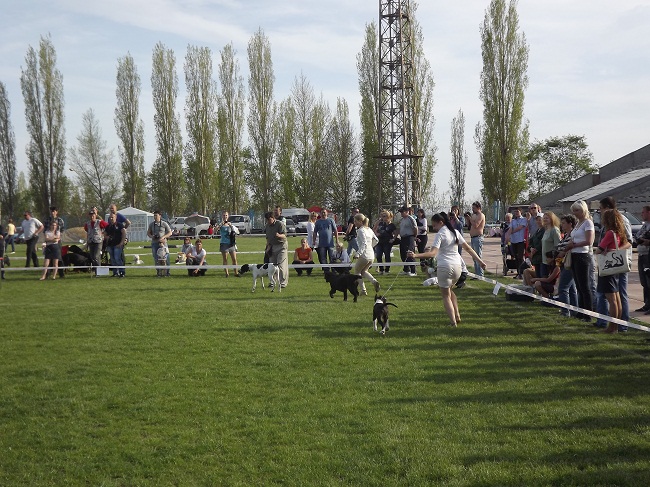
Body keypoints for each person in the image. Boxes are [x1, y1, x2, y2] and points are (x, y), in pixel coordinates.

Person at [409, 213, 486, 327]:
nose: (434, 228)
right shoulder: (455, 232)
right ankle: (457, 315)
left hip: (445, 267)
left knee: (445, 296)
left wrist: (415, 255)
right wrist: (480, 262)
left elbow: (432, 253)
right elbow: (468, 249)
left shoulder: (440, 234)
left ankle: (453, 322)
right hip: (457, 267)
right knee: (449, 291)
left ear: (441, 222)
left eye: (434, 225)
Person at [595, 197, 631, 330]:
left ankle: (616, 325)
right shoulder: (615, 230)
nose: (600, 212)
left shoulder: (612, 230)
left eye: (601, 209)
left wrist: (612, 251)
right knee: (614, 296)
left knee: (614, 297)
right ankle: (610, 323)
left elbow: (600, 249)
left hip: (611, 265)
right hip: (613, 264)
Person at [563, 200, 595, 322]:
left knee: (585, 286)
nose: (575, 213)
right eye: (574, 211)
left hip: (583, 255)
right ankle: (581, 311)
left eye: (577, 210)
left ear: (583, 210)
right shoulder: (578, 224)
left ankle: (588, 313)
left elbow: (589, 241)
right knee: (579, 285)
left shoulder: (588, 223)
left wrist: (574, 245)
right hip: (574, 255)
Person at [352, 212, 381, 296]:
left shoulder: (360, 230)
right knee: (364, 271)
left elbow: (364, 243)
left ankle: (363, 290)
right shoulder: (369, 229)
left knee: (357, 272)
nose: (354, 223)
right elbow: (376, 240)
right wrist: (370, 247)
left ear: (360, 221)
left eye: (355, 221)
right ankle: (374, 281)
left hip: (364, 255)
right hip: (371, 255)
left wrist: (358, 253)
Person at [556, 214, 578, 317]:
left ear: (570, 224)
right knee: (572, 289)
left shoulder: (573, 235)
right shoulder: (565, 235)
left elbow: (569, 247)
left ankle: (565, 311)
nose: (562, 225)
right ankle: (574, 310)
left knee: (563, 288)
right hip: (563, 263)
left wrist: (562, 251)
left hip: (569, 263)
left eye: (564, 223)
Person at [265, 211, 288, 287]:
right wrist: (267, 247)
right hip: (272, 246)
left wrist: (279, 235)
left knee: (281, 265)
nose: (268, 221)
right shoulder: (267, 226)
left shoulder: (280, 224)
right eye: (267, 220)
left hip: (281, 246)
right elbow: (268, 238)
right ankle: (273, 282)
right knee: (272, 266)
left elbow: (285, 235)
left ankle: (283, 283)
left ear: (273, 218)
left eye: (269, 219)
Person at [313, 208, 339, 273]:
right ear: (320, 214)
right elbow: (315, 232)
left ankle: (333, 270)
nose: (323, 214)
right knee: (323, 258)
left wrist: (337, 240)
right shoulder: (318, 222)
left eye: (324, 212)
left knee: (332, 257)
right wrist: (314, 241)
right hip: (321, 243)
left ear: (327, 213)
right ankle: (326, 270)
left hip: (330, 243)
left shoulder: (331, 220)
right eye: (322, 212)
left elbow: (335, 230)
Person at [148, 210, 172, 277]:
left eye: (156, 215)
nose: (155, 217)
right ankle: (159, 272)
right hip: (154, 243)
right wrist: (152, 236)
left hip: (163, 244)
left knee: (166, 258)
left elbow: (170, 233)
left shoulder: (164, 223)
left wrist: (163, 237)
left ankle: (167, 272)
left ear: (160, 216)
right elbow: (148, 233)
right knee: (156, 258)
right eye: (154, 215)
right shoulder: (151, 224)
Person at [635, 206, 650, 314]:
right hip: (641, 255)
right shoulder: (645, 225)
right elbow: (637, 236)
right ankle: (647, 304)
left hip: (648, 256)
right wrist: (640, 239)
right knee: (644, 282)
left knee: (649, 282)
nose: (641, 214)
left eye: (643, 212)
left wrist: (646, 241)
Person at [108, 204, 131, 276]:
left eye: (113, 208)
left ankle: (121, 272)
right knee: (113, 258)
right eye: (110, 208)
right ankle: (115, 272)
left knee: (118, 257)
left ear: (116, 208)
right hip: (112, 241)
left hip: (119, 240)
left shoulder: (120, 216)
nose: (111, 209)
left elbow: (128, 222)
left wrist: (123, 229)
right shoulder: (109, 218)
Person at [84, 208, 108, 274]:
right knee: (92, 257)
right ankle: (97, 271)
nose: (92, 217)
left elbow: (108, 227)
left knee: (95, 256)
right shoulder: (87, 224)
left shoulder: (100, 222)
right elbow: (87, 231)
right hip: (91, 241)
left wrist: (105, 234)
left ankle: (100, 271)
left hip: (98, 242)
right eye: (90, 215)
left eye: (93, 215)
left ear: (95, 215)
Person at [44, 206, 66, 278]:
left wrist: (57, 238)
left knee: (58, 258)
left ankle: (61, 273)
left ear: (56, 212)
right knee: (48, 258)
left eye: (53, 211)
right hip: (49, 241)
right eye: (51, 211)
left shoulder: (60, 220)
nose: (52, 213)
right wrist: (48, 239)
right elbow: (45, 231)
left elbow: (62, 231)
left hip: (57, 241)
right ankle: (47, 274)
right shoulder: (47, 220)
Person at [373, 209, 396, 275]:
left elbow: (396, 233)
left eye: (384, 216)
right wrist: (376, 233)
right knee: (378, 255)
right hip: (379, 242)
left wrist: (393, 239)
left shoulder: (391, 225)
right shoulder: (380, 223)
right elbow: (374, 229)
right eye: (382, 216)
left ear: (388, 217)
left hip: (387, 242)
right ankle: (381, 269)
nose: (383, 218)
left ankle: (387, 270)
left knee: (387, 255)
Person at [396, 205, 417, 276]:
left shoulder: (411, 219)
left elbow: (415, 228)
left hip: (409, 237)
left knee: (410, 253)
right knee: (403, 254)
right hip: (403, 238)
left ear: (407, 212)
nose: (401, 213)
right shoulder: (401, 220)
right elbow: (399, 229)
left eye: (402, 212)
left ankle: (413, 271)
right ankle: (406, 270)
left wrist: (414, 236)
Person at [217, 211, 239, 277]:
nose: (225, 217)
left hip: (231, 244)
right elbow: (214, 231)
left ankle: (236, 273)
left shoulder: (230, 224)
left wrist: (231, 226)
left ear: (228, 216)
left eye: (226, 215)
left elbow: (237, 232)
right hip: (224, 243)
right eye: (224, 215)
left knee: (234, 259)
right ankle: (227, 273)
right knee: (225, 259)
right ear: (222, 216)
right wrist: (220, 225)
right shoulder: (221, 224)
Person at [105, 213, 126, 277]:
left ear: (116, 217)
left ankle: (122, 272)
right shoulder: (108, 226)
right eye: (110, 217)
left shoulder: (120, 225)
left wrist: (121, 243)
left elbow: (124, 233)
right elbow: (104, 234)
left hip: (118, 245)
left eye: (112, 217)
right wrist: (106, 237)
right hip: (110, 245)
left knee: (117, 258)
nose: (111, 219)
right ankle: (115, 272)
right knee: (112, 259)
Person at [540, 212, 561, 278]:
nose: (545, 219)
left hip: (551, 261)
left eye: (547, 218)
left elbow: (558, 246)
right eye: (544, 218)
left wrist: (552, 259)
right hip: (544, 260)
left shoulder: (554, 230)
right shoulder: (546, 230)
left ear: (552, 219)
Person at [509, 207, 527, 279]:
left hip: (520, 240)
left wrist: (513, 232)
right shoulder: (513, 221)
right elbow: (510, 228)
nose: (516, 213)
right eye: (515, 212)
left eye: (517, 211)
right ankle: (518, 272)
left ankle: (522, 272)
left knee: (520, 257)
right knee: (516, 257)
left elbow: (520, 227)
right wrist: (508, 235)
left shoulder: (524, 219)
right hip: (513, 241)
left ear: (521, 212)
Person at [469, 202, 486, 277]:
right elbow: (470, 225)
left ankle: (480, 274)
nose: (473, 210)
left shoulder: (481, 215)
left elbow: (476, 225)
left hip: (478, 237)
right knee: (474, 257)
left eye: (474, 208)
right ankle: (477, 274)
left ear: (478, 208)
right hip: (473, 238)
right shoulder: (474, 215)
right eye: (472, 208)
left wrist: (470, 219)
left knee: (478, 256)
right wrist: (468, 219)